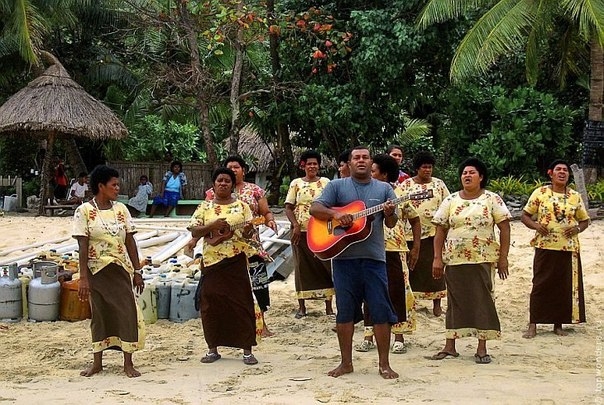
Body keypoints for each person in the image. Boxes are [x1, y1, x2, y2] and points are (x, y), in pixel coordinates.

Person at [310, 145, 400, 379]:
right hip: (343, 259)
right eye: (356, 158)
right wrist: (336, 215)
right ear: (348, 163)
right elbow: (315, 208)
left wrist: (389, 212)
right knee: (345, 311)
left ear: (372, 163)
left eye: (366, 157)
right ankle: (346, 363)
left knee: (380, 309)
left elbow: (390, 224)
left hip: (374, 259)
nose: (361, 161)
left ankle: (384, 364)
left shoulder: (384, 189)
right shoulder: (336, 186)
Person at [430, 157, 510, 364]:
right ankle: (450, 345)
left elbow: (505, 228)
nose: (467, 175)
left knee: (483, 299)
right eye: (464, 173)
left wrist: (503, 258)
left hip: (483, 258)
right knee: (455, 300)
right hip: (454, 259)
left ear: (481, 177)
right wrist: (437, 258)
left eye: (472, 172)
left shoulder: (492, 199)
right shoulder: (451, 200)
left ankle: (482, 347)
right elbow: (440, 230)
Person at [73, 165, 145, 378]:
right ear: (101, 186)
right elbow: (83, 247)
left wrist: (137, 270)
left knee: (127, 312)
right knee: (100, 314)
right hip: (96, 271)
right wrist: (83, 278)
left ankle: (128, 363)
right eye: (114, 184)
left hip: (121, 268)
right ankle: (97, 363)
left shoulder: (121, 209)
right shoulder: (84, 211)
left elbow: (130, 241)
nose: (117, 188)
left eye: (117, 184)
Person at [187, 167, 259, 365]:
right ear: (213, 184)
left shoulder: (242, 207)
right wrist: (212, 227)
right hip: (211, 263)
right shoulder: (204, 207)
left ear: (232, 184)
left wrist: (248, 229)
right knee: (210, 305)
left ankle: (247, 350)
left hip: (235, 261)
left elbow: (247, 234)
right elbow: (194, 230)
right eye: (220, 180)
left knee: (241, 304)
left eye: (227, 181)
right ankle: (212, 349)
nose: (223, 183)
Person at [201, 156, 278, 337]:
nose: (234, 170)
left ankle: (262, 325)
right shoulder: (212, 193)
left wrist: (270, 220)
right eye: (230, 167)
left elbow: (265, 212)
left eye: (237, 167)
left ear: (243, 170)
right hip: (221, 249)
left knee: (258, 283)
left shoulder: (255, 190)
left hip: (251, 245)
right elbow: (205, 218)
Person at [356, 154, 421, 355]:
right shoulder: (363, 193)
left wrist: (416, 247)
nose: (370, 173)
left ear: (384, 175)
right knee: (368, 292)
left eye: (373, 170)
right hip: (368, 248)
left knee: (396, 292)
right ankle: (369, 335)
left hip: (394, 248)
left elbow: (415, 220)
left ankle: (399, 336)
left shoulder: (399, 193)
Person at [521, 159, 590, 338]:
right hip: (545, 245)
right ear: (550, 173)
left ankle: (558, 325)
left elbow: (584, 220)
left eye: (565, 170)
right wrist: (536, 226)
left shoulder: (575, 196)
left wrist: (576, 229)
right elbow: (525, 216)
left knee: (562, 286)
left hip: (568, 248)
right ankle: (533, 323)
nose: (562, 172)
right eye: (558, 170)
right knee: (540, 284)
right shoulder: (540, 193)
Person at [400, 151, 450, 316]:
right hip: (409, 233)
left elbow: (447, 204)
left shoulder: (439, 184)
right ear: (417, 169)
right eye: (424, 167)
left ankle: (437, 304)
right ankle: (411, 302)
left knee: (434, 269)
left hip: (433, 233)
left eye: (430, 167)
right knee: (411, 269)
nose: (427, 170)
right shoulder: (406, 185)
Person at [285, 150, 334, 318]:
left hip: (322, 231)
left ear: (319, 166)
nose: (312, 166)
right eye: (309, 164)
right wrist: (295, 225)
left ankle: (328, 307)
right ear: (303, 166)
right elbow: (288, 207)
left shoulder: (326, 182)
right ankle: (302, 307)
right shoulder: (296, 183)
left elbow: (332, 205)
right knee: (301, 267)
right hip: (301, 232)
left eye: (315, 164)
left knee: (325, 266)